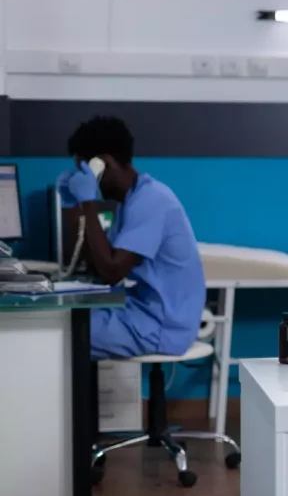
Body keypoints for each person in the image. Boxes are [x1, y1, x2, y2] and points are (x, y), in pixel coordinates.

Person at [58, 115, 206, 360]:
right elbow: (98, 266)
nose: (82, 179)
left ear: (102, 164)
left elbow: (112, 272)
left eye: (84, 170)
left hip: (163, 326)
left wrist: (88, 202)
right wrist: (72, 210)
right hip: (142, 311)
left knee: (61, 334)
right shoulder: (131, 200)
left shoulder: (151, 200)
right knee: (66, 320)